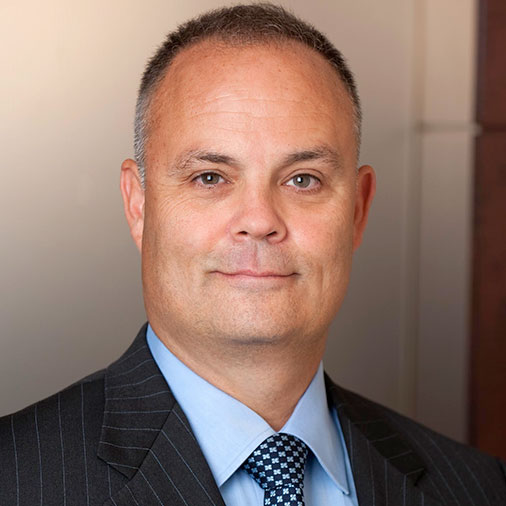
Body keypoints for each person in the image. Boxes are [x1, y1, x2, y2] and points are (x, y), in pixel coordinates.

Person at [0, 4, 504, 505]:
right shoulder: (15, 479)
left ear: (357, 209)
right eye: (210, 177)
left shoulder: (478, 489)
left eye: (303, 179)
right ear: (139, 204)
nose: (260, 220)